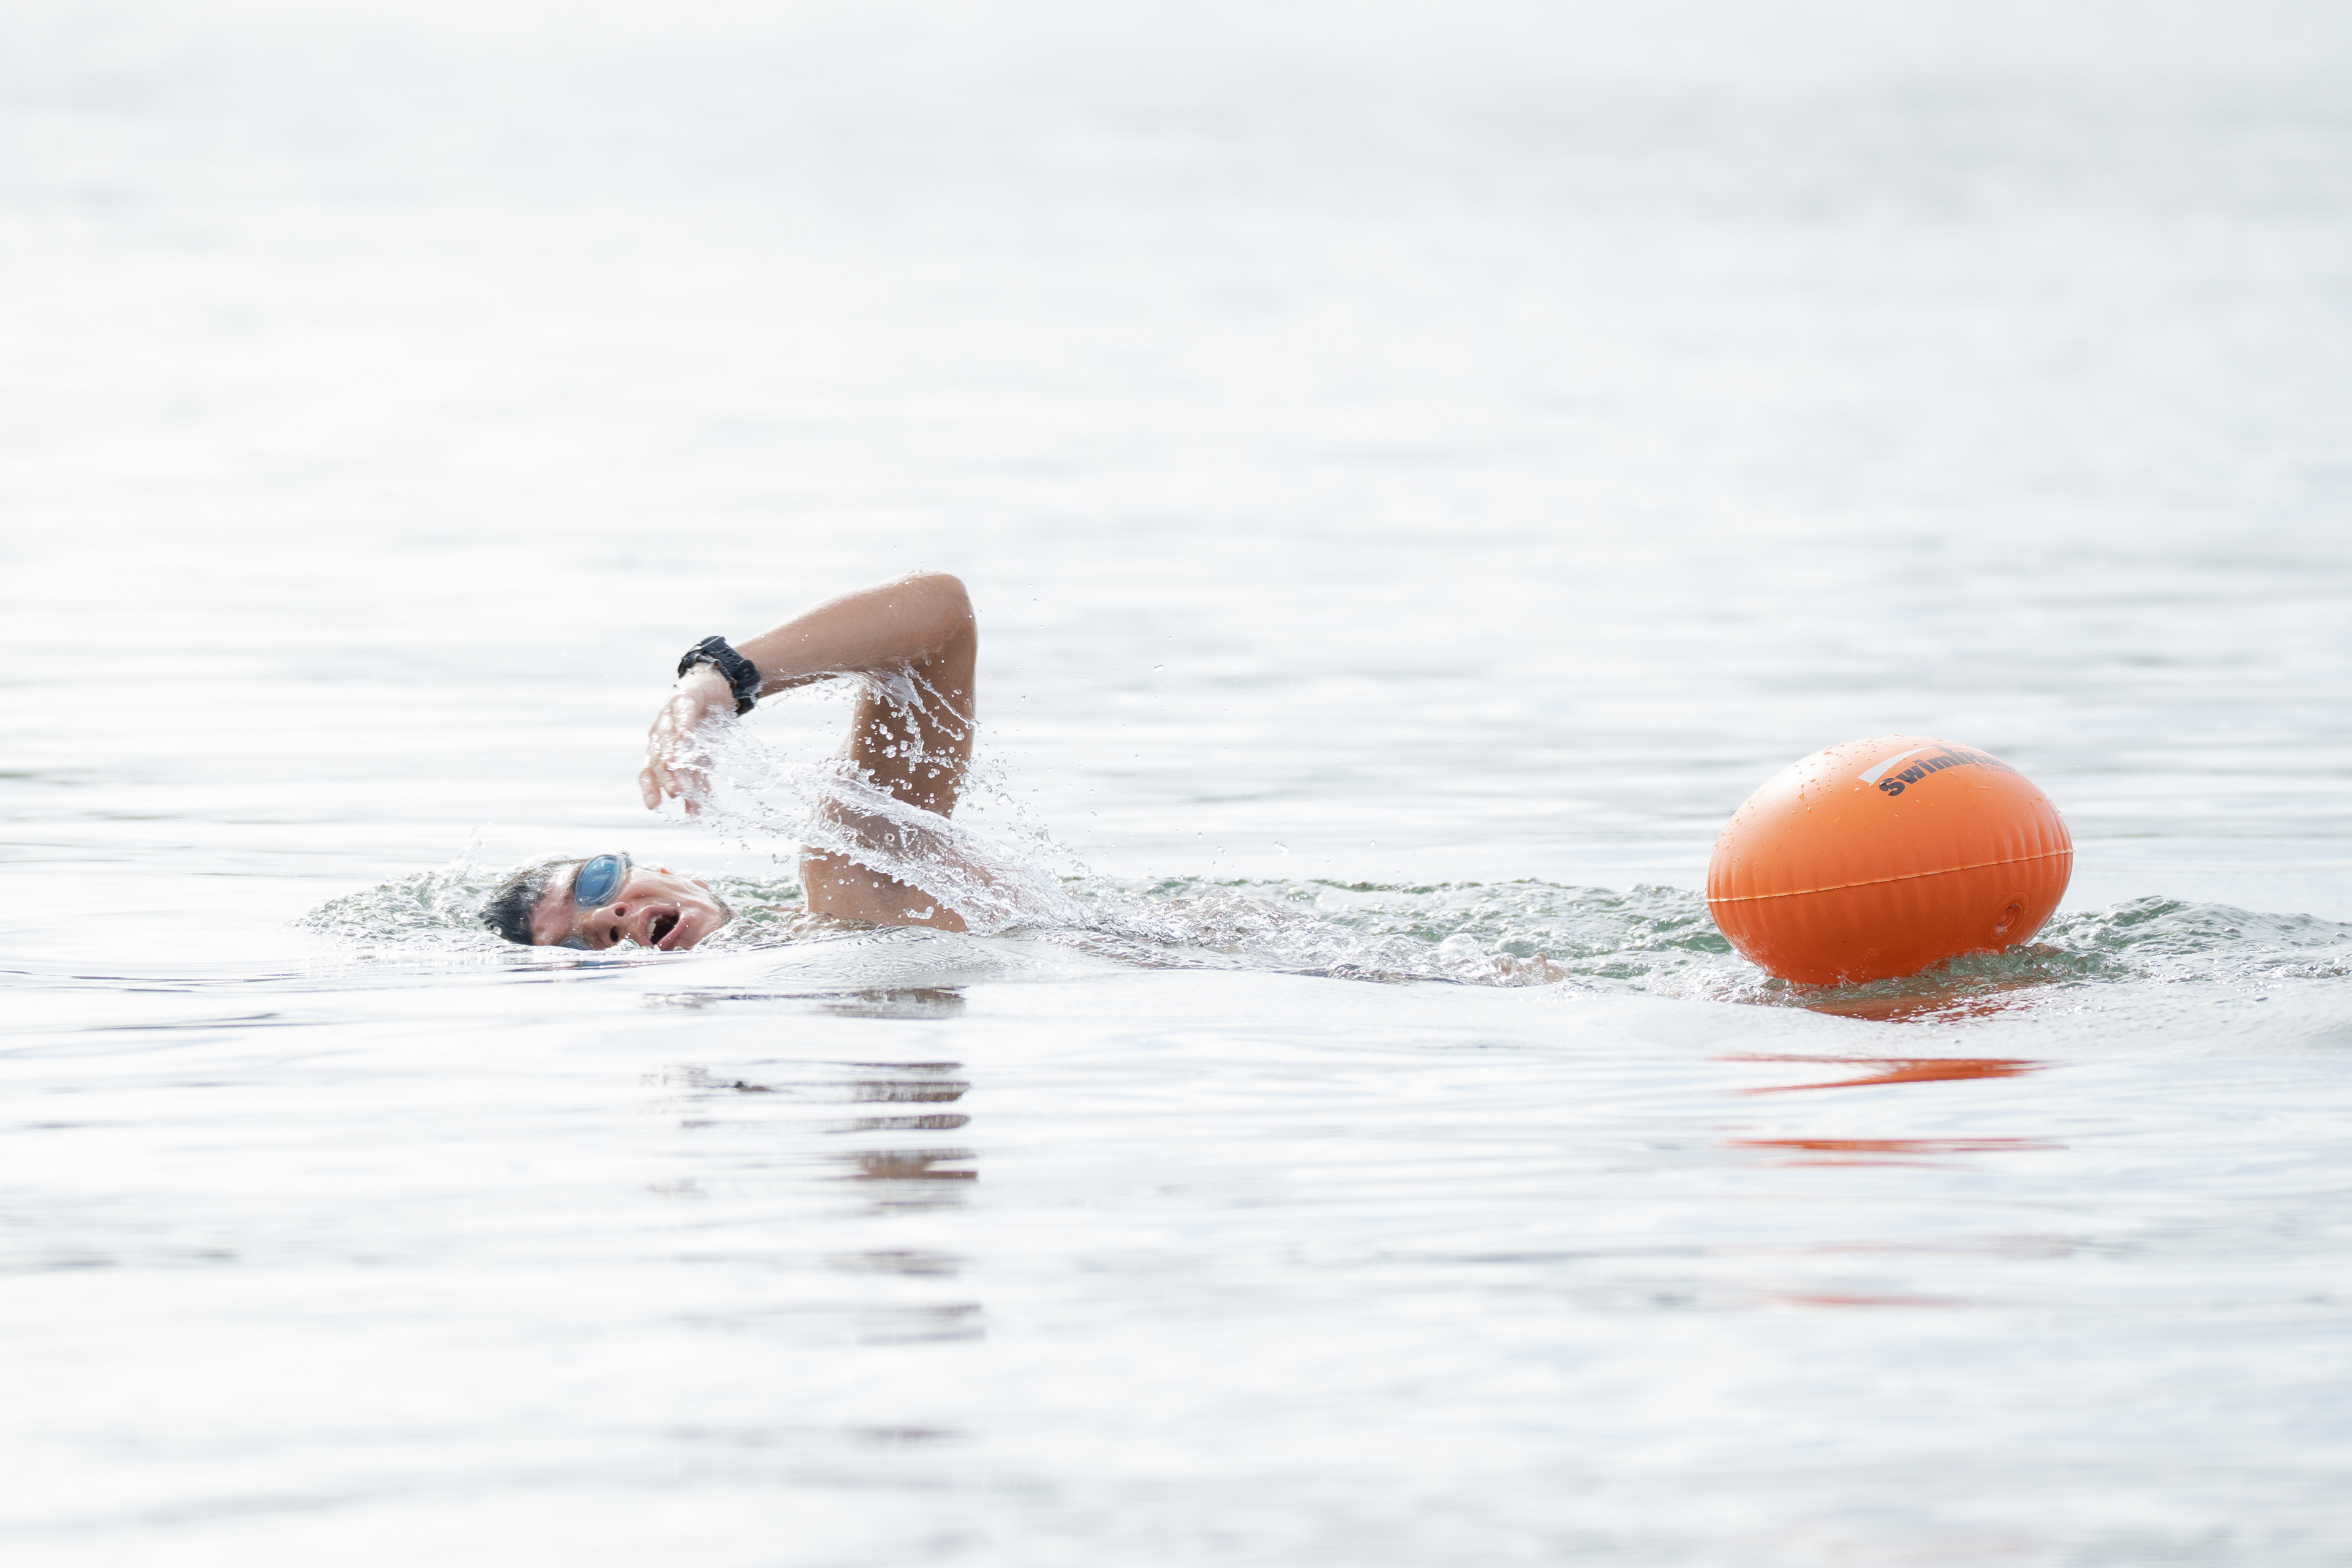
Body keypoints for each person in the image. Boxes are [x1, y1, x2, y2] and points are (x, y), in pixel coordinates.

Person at [479, 572, 978, 949]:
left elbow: (943, 615)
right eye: (574, 948)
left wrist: (718, 678)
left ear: (676, 874)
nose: (603, 918)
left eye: (595, 882)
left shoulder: (852, 883)